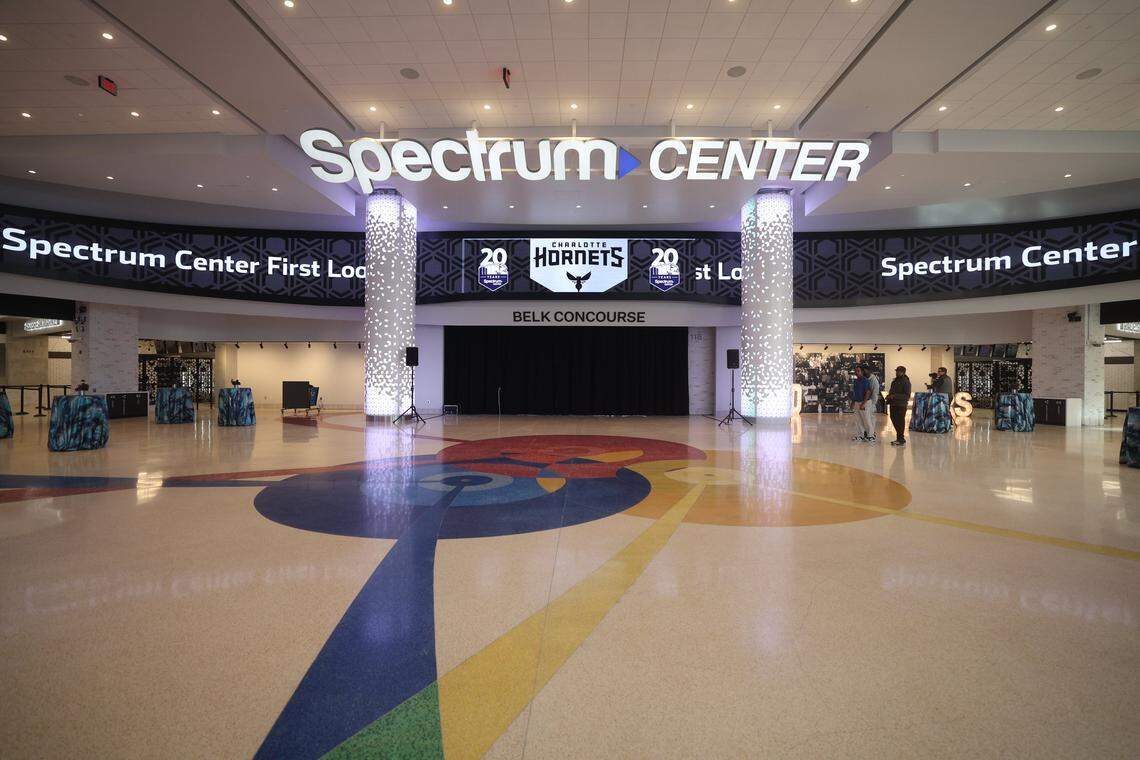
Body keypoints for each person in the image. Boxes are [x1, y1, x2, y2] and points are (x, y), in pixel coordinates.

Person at [886, 366, 912, 446]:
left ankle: (900, 438)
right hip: (893, 404)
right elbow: (892, 390)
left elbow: (907, 395)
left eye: (898, 371)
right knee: (893, 419)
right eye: (896, 371)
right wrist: (889, 396)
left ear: (903, 372)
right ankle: (900, 437)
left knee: (900, 421)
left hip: (901, 405)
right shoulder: (895, 381)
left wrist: (894, 396)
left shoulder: (906, 381)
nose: (897, 372)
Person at [861, 364, 881, 443]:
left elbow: (874, 392)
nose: (863, 372)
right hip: (865, 402)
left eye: (864, 370)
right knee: (866, 419)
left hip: (871, 402)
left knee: (871, 419)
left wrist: (872, 403)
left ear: (869, 370)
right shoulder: (865, 379)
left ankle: (872, 434)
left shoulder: (873, 380)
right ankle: (867, 433)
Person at [850, 366, 869, 441]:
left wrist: (863, 403)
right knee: (858, 420)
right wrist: (853, 402)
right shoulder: (855, 381)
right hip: (857, 402)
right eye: (856, 371)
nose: (856, 373)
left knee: (866, 420)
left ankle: (870, 435)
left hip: (863, 402)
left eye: (858, 371)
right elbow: (855, 393)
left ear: (862, 372)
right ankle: (861, 435)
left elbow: (868, 392)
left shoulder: (865, 380)